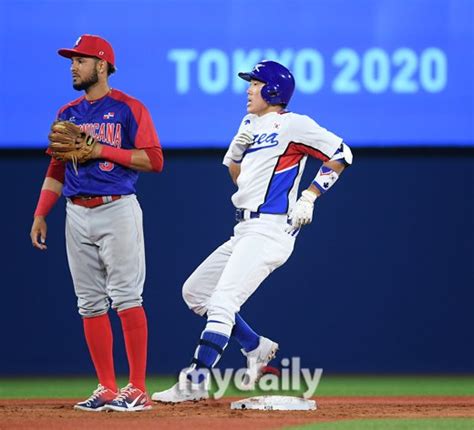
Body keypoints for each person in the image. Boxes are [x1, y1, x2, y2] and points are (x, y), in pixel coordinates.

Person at [151, 60, 353, 403]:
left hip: (271, 229)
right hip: (244, 227)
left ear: (273, 90)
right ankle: (254, 345)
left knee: (224, 301)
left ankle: (196, 381)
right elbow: (241, 181)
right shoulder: (249, 123)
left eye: (255, 83)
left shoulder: (294, 125)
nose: (248, 89)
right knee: (195, 292)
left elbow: (341, 153)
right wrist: (234, 158)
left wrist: (310, 195)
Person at [30, 34, 164, 412]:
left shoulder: (128, 108)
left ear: (102, 65)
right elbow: (56, 166)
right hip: (76, 211)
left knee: (126, 297)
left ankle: (136, 387)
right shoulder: (68, 113)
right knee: (89, 304)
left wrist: (100, 150)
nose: (73, 66)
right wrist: (42, 212)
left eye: (80, 60)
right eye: (71, 60)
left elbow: (154, 160)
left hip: (116, 208)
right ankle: (106, 386)